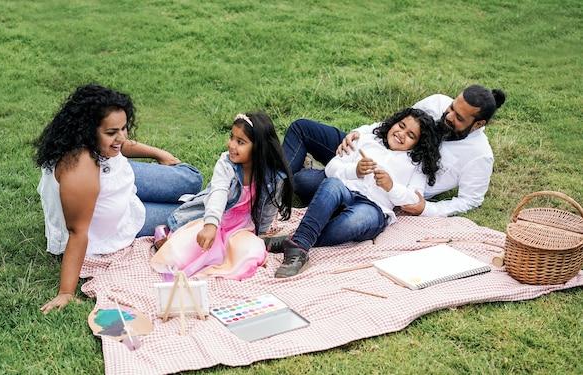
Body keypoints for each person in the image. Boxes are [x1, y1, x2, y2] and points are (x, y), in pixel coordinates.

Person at [34, 84, 202, 313]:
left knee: (191, 179)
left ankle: (186, 198)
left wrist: (157, 153)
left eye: (123, 128)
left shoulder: (100, 146)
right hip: (117, 224)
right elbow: (77, 232)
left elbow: (119, 145)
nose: (121, 137)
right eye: (112, 132)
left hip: (120, 184)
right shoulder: (80, 170)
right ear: (87, 131)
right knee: (196, 211)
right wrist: (66, 293)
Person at [283, 84, 506, 217]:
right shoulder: (436, 101)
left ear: (478, 124)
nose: (447, 116)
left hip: (387, 186)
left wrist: (426, 208)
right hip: (370, 150)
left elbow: (470, 200)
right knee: (302, 128)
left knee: (305, 182)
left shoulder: (479, 156)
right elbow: (395, 123)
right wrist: (358, 133)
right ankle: (270, 188)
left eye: (458, 118)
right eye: (451, 108)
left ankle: (312, 177)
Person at [275, 108, 441, 278]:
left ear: (418, 144)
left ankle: (296, 240)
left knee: (355, 221)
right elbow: (332, 168)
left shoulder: (416, 165)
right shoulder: (369, 140)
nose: (401, 133)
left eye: (411, 135)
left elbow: (414, 199)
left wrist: (392, 187)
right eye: (401, 125)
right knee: (331, 184)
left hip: (373, 208)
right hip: (346, 190)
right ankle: (299, 247)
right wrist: (355, 171)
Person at [150, 111, 293, 281]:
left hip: (242, 227)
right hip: (215, 218)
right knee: (190, 250)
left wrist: (260, 235)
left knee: (252, 252)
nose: (231, 145)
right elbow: (218, 193)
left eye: (240, 142)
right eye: (232, 137)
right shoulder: (226, 164)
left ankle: (226, 256)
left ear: (258, 148)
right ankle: (167, 239)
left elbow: (268, 209)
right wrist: (210, 225)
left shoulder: (273, 177)